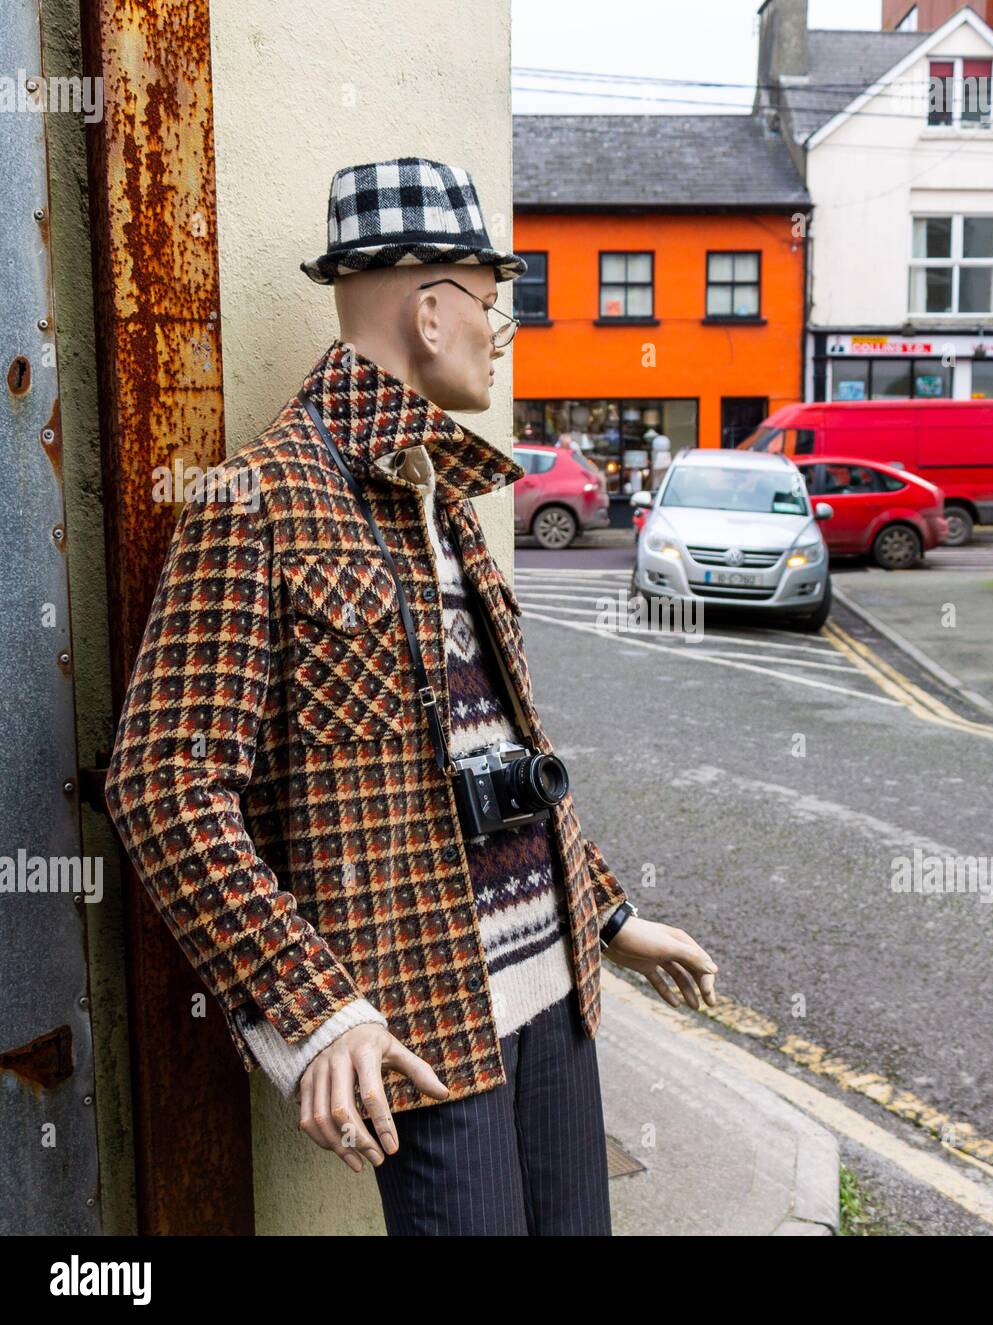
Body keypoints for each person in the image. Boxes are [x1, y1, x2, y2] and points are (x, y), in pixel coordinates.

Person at [103, 157, 718, 1235]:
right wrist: (313, 1005)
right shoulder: (260, 502)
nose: (499, 335)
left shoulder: (449, 502)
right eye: (494, 308)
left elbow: (500, 751)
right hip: (425, 1015)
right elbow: (163, 781)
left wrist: (609, 910)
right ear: (433, 312)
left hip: (556, 992)